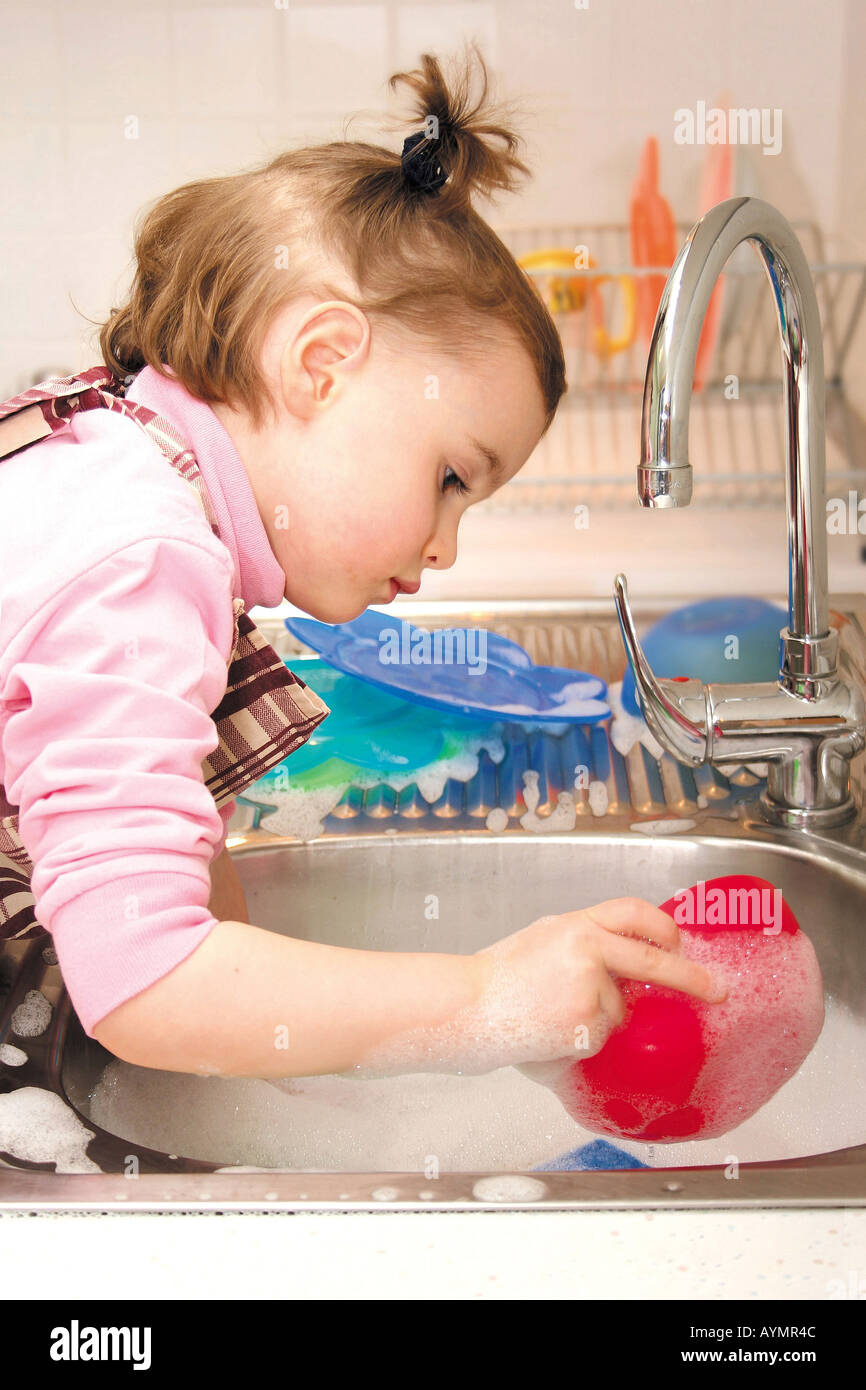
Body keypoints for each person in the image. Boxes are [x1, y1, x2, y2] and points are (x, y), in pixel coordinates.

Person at [0, 43, 725, 1084]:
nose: (445, 546)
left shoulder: (120, 464)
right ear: (321, 363)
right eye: (448, 478)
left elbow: (180, 886)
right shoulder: (140, 556)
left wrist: (291, 1068)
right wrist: (484, 998)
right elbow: (144, 978)